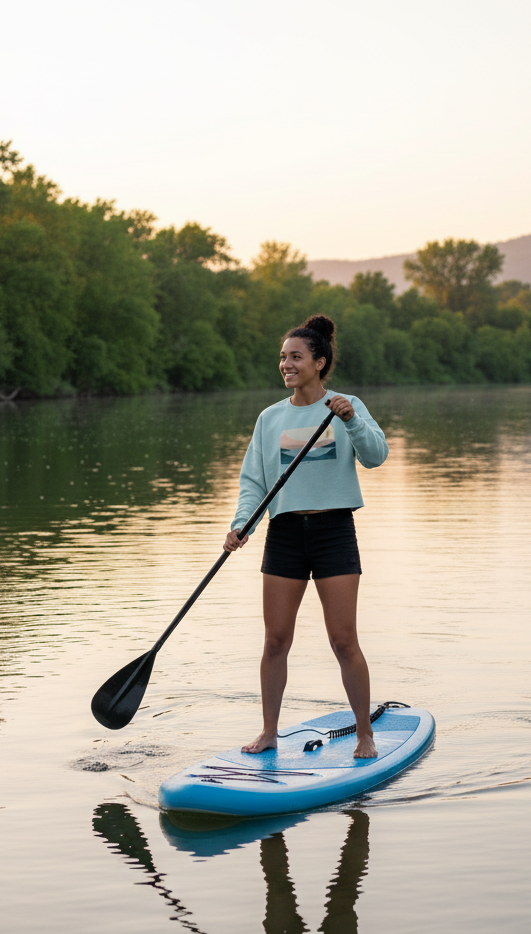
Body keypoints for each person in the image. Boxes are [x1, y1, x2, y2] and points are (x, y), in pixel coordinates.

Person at [223, 314, 389, 758]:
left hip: (334, 531)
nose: (286, 365)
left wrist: (351, 420)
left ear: (319, 362)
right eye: (282, 358)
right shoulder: (270, 418)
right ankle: (269, 732)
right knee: (275, 640)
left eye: (295, 357)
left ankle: (365, 734)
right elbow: (254, 483)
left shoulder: (346, 405)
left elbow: (376, 456)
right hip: (286, 534)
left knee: (343, 640)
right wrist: (243, 525)